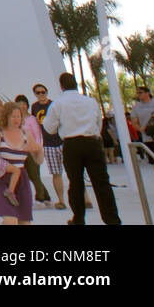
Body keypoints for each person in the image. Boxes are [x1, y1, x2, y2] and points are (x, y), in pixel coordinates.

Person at [41, 72, 120, 225]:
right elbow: (98, 124)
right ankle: (112, 220)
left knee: (76, 183)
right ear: (75, 84)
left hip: (72, 144)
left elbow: (49, 128)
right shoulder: (90, 101)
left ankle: (78, 219)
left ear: (61, 85)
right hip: (92, 142)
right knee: (102, 183)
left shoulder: (58, 103)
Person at [13, 94, 49, 206]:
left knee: (34, 175)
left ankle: (40, 198)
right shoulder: (15, 119)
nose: (22, 106)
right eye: (20, 104)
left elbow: (37, 135)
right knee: (30, 176)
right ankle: (46, 196)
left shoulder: (31, 119)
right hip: (21, 151)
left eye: (24, 104)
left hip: (32, 150)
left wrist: (36, 149)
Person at [129, 84, 154, 187]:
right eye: (137, 93)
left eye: (140, 92)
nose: (139, 95)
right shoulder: (136, 107)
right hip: (148, 138)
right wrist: (140, 128)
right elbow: (134, 122)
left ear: (147, 93)